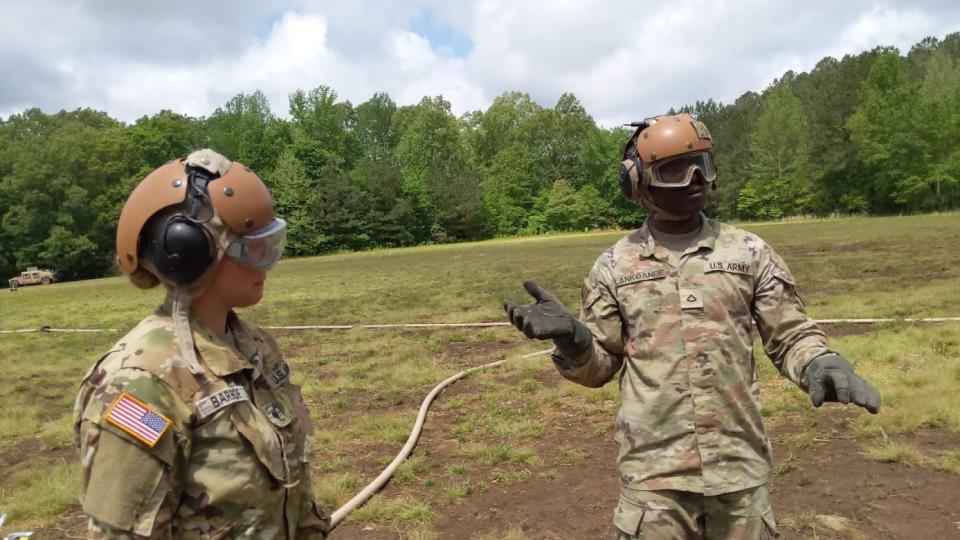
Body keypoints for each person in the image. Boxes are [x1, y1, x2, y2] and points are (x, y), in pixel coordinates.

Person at [503, 114, 881, 539]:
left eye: (702, 162)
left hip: (738, 467)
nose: (696, 177)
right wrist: (574, 341)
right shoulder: (614, 266)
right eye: (675, 169)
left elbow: (790, 334)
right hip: (655, 477)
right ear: (637, 182)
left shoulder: (750, 252)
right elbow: (602, 366)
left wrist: (820, 362)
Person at [74, 149, 330, 538]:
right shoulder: (140, 385)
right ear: (190, 256)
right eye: (248, 245)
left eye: (267, 241)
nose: (264, 258)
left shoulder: (254, 346)